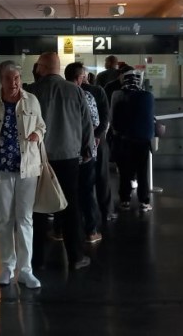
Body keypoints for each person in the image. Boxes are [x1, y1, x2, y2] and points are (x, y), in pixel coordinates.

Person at [0, 60, 46, 288]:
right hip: (1, 169)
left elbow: (42, 126)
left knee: (25, 218)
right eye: (8, 78)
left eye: (16, 78)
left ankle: (26, 270)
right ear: (0, 80)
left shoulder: (31, 101)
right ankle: (7, 267)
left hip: (28, 168)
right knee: (5, 218)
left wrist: (37, 133)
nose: (13, 83)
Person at [27, 52, 94, 271]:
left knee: (36, 209)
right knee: (70, 207)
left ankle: (36, 260)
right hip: (68, 158)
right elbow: (86, 124)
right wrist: (87, 149)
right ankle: (76, 257)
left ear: (42, 67)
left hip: (38, 158)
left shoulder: (32, 91)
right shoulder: (75, 90)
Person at [65, 62, 103, 244]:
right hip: (85, 153)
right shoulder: (86, 95)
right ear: (79, 78)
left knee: (64, 193)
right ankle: (90, 231)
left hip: (62, 153)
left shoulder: (57, 95)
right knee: (87, 192)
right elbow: (95, 122)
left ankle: (60, 231)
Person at [111, 70, 155, 212]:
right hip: (142, 140)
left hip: (123, 140)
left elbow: (113, 118)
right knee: (142, 172)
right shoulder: (148, 96)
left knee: (124, 172)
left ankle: (125, 200)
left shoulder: (117, 95)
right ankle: (144, 201)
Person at [81, 66, 114, 225]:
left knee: (81, 179)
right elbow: (106, 115)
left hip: (78, 141)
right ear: (85, 75)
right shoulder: (97, 90)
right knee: (102, 176)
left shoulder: (70, 90)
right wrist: (97, 135)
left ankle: (82, 213)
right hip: (98, 140)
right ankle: (106, 211)